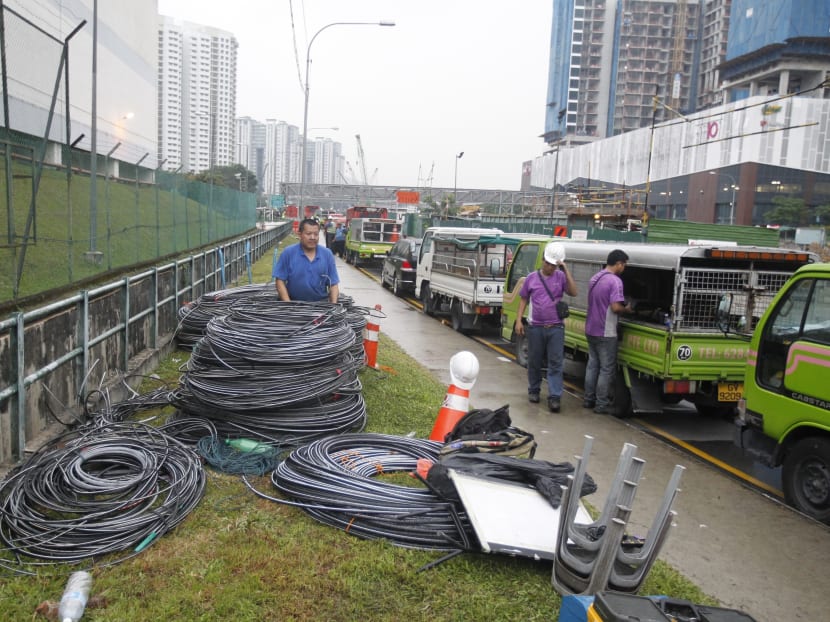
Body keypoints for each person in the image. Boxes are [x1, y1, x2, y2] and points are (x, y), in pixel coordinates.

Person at [514, 242, 577, 413]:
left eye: (553, 265)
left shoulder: (561, 277)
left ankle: (555, 397)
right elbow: (523, 299)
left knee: (555, 363)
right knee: (534, 360)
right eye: (547, 263)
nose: (549, 267)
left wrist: (565, 269)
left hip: (556, 327)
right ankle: (534, 390)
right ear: (542, 260)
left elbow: (573, 291)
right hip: (535, 327)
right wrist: (519, 320)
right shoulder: (532, 278)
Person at [584, 249, 630, 414]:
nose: (624, 268)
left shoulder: (595, 278)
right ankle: (601, 404)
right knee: (606, 368)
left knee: (592, 365)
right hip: (606, 331)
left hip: (590, 328)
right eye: (624, 265)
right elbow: (615, 307)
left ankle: (588, 400)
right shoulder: (615, 281)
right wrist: (628, 309)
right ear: (619, 264)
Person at [273, 218, 340, 302]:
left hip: (320, 306)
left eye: (316, 234)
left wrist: (333, 307)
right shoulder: (288, 253)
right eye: (308, 234)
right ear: (299, 234)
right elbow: (280, 281)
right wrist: (288, 305)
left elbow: (333, 284)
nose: (313, 237)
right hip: (294, 304)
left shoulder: (327, 254)